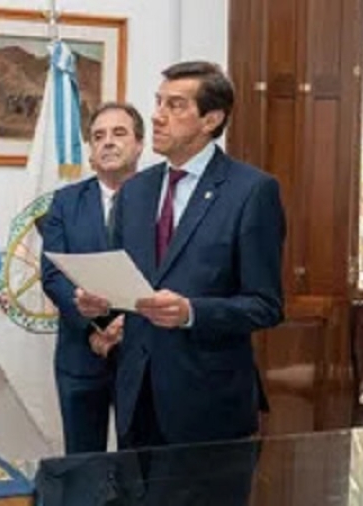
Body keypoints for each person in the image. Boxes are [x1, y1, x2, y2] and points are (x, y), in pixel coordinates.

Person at [75, 61, 285, 448]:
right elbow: (124, 282)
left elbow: (265, 305)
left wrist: (191, 312)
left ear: (211, 119)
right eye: (159, 102)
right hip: (137, 395)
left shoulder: (251, 191)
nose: (157, 116)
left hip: (209, 402)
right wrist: (100, 306)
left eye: (175, 106)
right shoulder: (135, 191)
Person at [39, 102, 145, 454]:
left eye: (119, 133)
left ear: (139, 144)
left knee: (140, 465)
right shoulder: (65, 203)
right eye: (98, 136)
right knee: (83, 466)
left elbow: (169, 271)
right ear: (90, 152)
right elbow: (53, 275)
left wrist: (126, 325)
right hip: (81, 355)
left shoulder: (161, 200)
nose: (108, 142)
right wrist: (95, 328)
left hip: (142, 354)